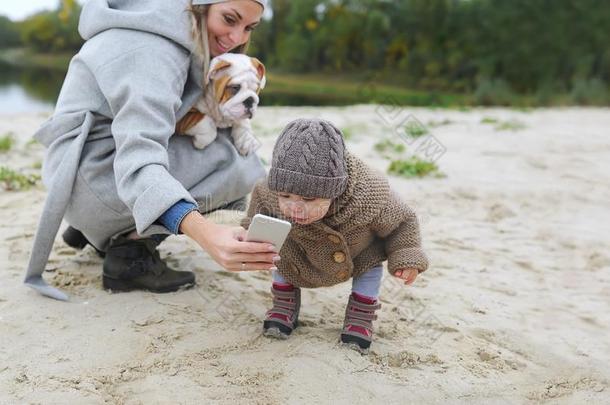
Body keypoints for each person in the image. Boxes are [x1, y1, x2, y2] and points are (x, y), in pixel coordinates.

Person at [24, 0, 279, 301]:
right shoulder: (154, 52)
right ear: (200, 6)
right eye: (229, 19)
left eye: (248, 27)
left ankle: (98, 229)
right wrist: (208, 234)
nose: (236, 38)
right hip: (93, 182)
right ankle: (129, 253)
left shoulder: (161, 21)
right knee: (238, 162)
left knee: (219, 139)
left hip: (78, 172)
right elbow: (139, 161)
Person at [241, 118, 429, 351]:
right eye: (285, 196)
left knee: (370, 266)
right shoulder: (267, 191)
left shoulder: (371, 194)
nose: (295, 207)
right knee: (279, 254)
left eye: (309, 199)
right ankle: (284, 304)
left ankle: (360, 315)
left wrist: (407, 255)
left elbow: (403, 222)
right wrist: (249, 234)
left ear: (335, 189)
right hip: (297, 252)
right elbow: (256, 216)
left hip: (358, 252)